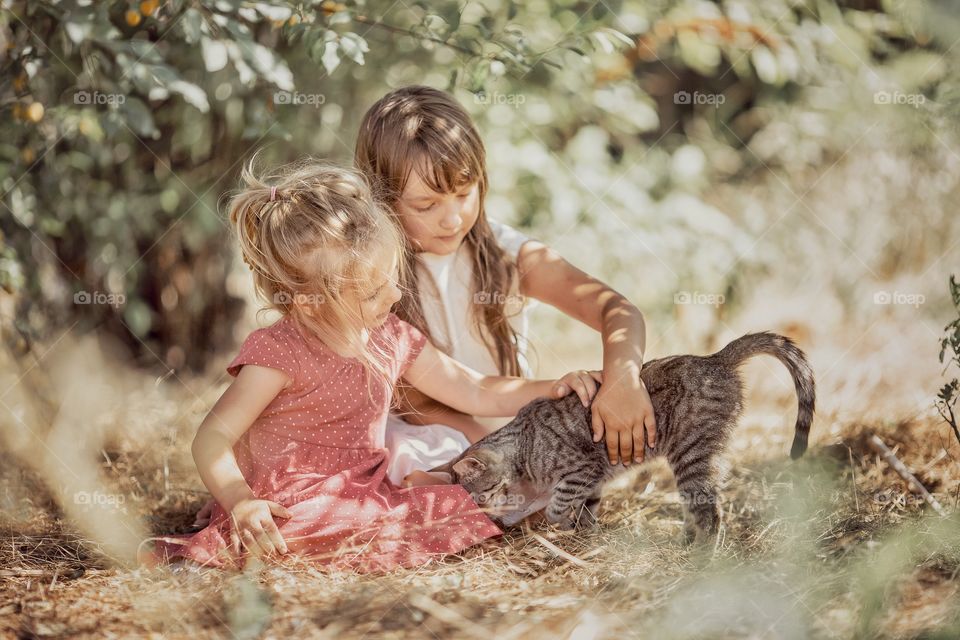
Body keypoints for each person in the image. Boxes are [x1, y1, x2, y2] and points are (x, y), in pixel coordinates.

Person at [140, 160, 600, 572]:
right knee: (315, 525)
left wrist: (552, 387)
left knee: (443, 509)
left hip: (363, 488)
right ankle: (210, 553)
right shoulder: (279, 352)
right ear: (310, 302)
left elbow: (475, 390)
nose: (395, 296)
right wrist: (239, 500)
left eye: (391, 280)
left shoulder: (390, 336)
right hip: (289, 496)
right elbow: (213, 438)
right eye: (372, 292)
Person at [355, 85, 657, 486]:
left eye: (464, 194)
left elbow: (616, 310)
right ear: (382, 200)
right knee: (408, 456)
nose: (452, 219)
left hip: (514, 426)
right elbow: (423, 406)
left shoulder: (506, 255)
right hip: (431, 434)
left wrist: (623, 380)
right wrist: (490, 451)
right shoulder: (374, 277)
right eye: (426, 205)